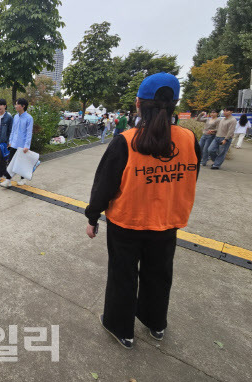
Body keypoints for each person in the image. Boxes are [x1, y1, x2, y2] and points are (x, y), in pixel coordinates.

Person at [84, 73, 200, 349]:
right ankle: (155, 323)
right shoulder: (188, 139)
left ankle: (121, 328)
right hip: (167, 223)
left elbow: (104, 185)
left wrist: (93, 216)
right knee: (159, 275)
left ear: (138, 104)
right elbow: (191, 177)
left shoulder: (125, 141)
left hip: (127, 222)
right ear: (174, 105)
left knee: (123, 276)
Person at [1, 98, 34, 188]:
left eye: (17, 104)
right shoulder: (15, 116)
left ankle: (23, 179)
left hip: (23, 145)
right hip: (14, 144)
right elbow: (13, 130)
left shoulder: (29, 118)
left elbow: (29, 133)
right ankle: (8, 180)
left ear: (23, 106)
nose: (15, 106)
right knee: (11, 162)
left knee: (22, 163)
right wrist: (10, 141)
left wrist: (27, 146)